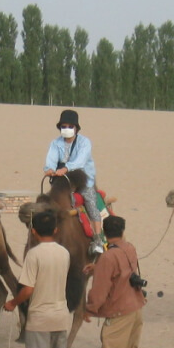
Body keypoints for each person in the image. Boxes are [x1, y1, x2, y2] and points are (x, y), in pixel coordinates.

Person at [2, 210, 76, 348]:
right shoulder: (64, 253)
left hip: (40, 319)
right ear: (56, 229)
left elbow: (28, 290)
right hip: (61, 316)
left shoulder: (33, 255)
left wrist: (13, 303)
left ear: (33, 231)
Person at [82, 215, 157, 348]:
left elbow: (99, 290)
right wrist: (98, 268)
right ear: (122, 231)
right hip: (135, 306)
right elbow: (122, 270)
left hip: (118, 312)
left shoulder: (108, 256)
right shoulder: (128, 248)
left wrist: (89, 309)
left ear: (105, 234)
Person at [44, 109, 104, 255]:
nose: (67, 129)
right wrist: (49, 169)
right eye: (63, 126)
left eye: (70, 126)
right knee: (48, 202)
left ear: (76, 128)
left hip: (83, 179)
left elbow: (80, 161)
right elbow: (50, 159)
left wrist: (66, 168)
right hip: (63, 182)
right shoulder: (55, 143)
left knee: (90, 202)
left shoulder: (85, 143)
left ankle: (97, 240)